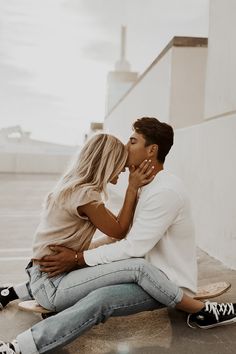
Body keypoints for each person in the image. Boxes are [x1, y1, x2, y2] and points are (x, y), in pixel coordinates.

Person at [0, 118, 235, 354]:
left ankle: (20, 346)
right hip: (110, 274)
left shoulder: (164, 192)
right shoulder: (128, 189)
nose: (126, 147)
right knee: (106, 270)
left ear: (151, 150)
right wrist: (78, 257)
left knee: (103, 293)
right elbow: (121, 237)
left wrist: (77, 258)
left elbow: (129, 245)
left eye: (132, 141)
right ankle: (202, 311)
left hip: (164, 280)